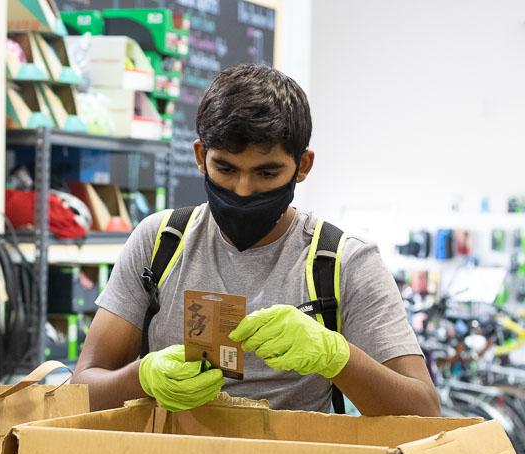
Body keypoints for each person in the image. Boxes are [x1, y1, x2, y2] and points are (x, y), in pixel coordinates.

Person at [73, 63, 441, 417]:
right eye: (225, 169)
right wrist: (143, 378)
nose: (243, 190)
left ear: (303, 166)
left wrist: (336, 357)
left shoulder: (345, 264)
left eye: (266, 173)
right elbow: (81, 391)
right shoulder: (159, 243)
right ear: (201, 156)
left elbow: (425, 412)